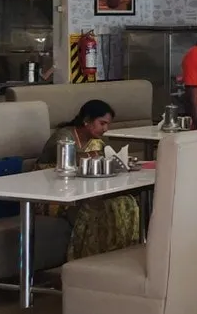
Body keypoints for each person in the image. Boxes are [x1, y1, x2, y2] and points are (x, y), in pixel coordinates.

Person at [42, 100, 142, 260]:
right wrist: (94, 157)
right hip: (53, 193)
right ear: (87, 120)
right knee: (97, 210)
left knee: (125, 202)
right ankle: (84, 259)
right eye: (102, 123)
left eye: (107, 124)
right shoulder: (64, 137)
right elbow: (69, 162)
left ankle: (117, 257)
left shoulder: (96, 142)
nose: (106, 129)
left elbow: (104, 159)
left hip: (83, 189)